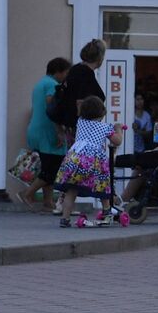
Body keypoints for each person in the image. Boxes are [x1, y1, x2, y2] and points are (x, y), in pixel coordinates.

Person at [54, 96, 124, 228]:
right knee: (102, 184)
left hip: (74, 158)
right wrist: (118, 129)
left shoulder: (80, 122)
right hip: (93, 160)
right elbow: (117, 141)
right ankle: (106, 210)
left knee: (72, 189)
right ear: (102, 113)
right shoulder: (105, 127)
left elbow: (80, 105)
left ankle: (65, 218)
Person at [19, 57, 70, 212]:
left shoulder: (40, 83)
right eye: (66, 73)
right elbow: (52, 106)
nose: (66, 77)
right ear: (59, 72)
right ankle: (28, 194)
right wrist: (59, 130)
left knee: (47, 167)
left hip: (36, 130)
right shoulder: (52, 84)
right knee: (54, 168)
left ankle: (48, 202)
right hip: (47, 131)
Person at [51, 39, 107, 141]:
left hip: (71, 126)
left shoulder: (76, 69)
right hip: (80, 131)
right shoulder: (85, 75)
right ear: (100, 58)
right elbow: (80, 103)